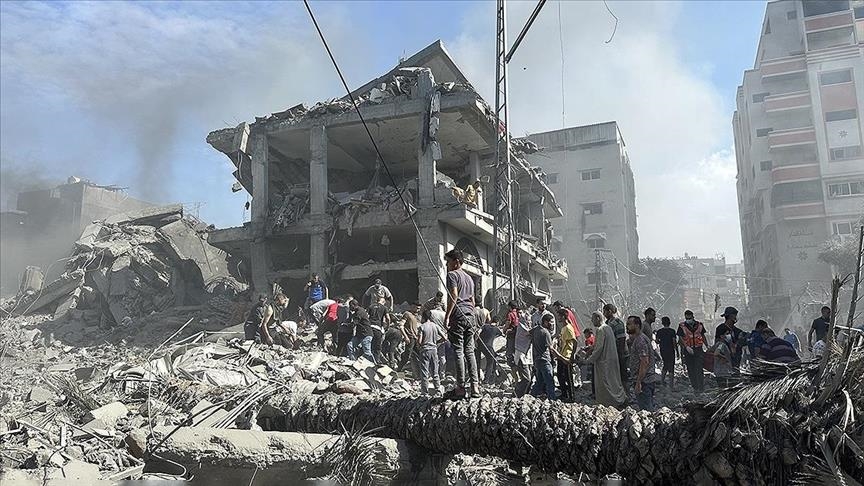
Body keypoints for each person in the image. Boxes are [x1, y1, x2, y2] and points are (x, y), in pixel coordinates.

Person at [443, 249, 479, 399]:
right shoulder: (469, 278)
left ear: (456, 262)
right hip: (470, 315)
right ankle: (475, 387)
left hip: (458, 314)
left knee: (458, 351)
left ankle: (460, 388)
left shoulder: (452, 275)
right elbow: (473, 301)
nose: (447, 265)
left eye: (448, 261)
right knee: (469, 351)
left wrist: (447, 316)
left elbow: (454, 295)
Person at [581, 311, 627, 407]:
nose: (592, 321)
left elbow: (599, 349)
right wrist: (591, 347)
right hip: (610, 360)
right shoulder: (608, 328)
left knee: (606, 385)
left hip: (604, 362)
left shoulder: (601, 329)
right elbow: (598, 344)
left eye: (593, 319)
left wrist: (589, 360)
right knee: (613, 382)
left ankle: (610, 403)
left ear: (598, 318)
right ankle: (619, 400)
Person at [626, 316, 659, 411]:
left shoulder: (640, 340)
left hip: (644, 382)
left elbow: (644, 362)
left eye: (629, 324)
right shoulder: (639, 338)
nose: (627, 326)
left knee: (646, 411)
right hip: (646, 381)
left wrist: (638, 382)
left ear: (637, 325)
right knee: (647, 408)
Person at [530, 313, 560, 400]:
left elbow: (528, 333)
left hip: (537, 360)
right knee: (549, 382)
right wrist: (560, 357)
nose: (552, 325)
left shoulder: (536, 329)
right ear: (545, 322)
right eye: (551, 322)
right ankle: (552, 400)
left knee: (539, 382)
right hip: (545, 360)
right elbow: (551, 348)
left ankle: (530, 397)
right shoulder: (546, 333)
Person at [677, 309, 706, 393]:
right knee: (691, 369)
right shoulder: (682, 326)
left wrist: (707, 346)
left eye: (689, 318)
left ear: (693, 317)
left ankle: (701, 387)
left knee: (699, 368)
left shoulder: (700, 325)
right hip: (688, 350)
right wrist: (686, 347)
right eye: (687, 318)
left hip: (698, 349)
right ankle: (695, 387)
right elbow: (680, 337)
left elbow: (703, 336)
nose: (688, 320)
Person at [418, 309, 447, 394]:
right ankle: (438, 389)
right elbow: (445, 338)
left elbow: (419, 341)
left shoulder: (422, 327)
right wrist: (436, 342)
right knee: (435, 371)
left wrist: (419, 343)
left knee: (425, 372)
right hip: (434, 350)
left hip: (425, 350)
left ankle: (425, 392)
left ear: (423, 317)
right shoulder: (436, 326)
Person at [602, 303, 628, 388]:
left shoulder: (617, 323)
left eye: (604, 312)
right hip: (611, 352)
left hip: (618, 352)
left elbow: (621, 338)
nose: (604, 314)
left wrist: (620, 353)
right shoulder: (607, 323)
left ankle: (626, 392)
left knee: (622, 374)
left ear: (609, 311)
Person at [556, 307, 578, 401]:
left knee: (568, 378)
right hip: (562, 355)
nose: (558, 318)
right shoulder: (563, 328)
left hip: (567, 356)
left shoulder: (569, 328)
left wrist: (572, 355)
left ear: (563, 316)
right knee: (560, 375)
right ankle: (564, 394)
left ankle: (572, 397)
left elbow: (574, 342)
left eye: (559, 316)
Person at [512, 308, 534, 397]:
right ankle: (517, 393)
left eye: (530, 321)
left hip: (527, 356)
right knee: (527, 379)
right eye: (528, 320)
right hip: (521, 357)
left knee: (529, 378)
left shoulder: (526, 326)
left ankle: (523, 394)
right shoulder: (521, 326)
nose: (529, 322)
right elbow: (530, 333)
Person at [477, 316, 502, 384]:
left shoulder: (485, 326)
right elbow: (502, 334)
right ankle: (486, 380)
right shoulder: (496, 329)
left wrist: (476, 340)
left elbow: (478, 332)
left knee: (478, 361)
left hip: (480, 345)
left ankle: (478, 377)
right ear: (498, 322)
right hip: (489, 347)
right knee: (490, 362)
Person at [655, 316, 678, 388]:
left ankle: (662, 381)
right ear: (669, 323)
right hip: (670, 350)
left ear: (662, 323)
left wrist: (662, 342)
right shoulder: (672, 331)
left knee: (665, 364)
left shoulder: (659, 331)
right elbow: (674, 342)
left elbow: (657, 341)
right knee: (671, 366)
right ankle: (671, 385)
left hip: (663, 350)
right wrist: (677, 351)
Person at [368, 297, 390, 364]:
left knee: (370, 345)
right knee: (377, 346)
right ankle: (376, 361)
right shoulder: (384, 308)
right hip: (377, 328)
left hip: (370, 327)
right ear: (383, 302)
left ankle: (369, 360)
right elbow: (388, 318)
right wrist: (387, 326)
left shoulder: (371, 306)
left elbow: (367, 316)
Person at [504, 300, 520, 368]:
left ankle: (512, 366)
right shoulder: (518, 313)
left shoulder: (510, 314)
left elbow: (508, 323)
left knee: (510, 352)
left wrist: (504, 330)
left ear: (510, 307)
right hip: (518, 335)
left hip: (511, 334)